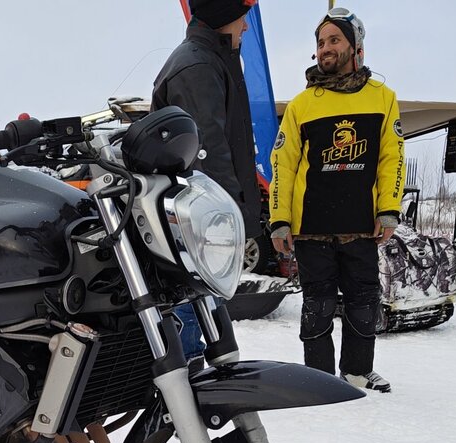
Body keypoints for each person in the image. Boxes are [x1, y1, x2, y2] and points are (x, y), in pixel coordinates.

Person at [269, 7, 404, 393]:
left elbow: (391, 157)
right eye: (321, 42)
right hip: (311, 226)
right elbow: (284, 163)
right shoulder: (302, 104)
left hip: (361, 223)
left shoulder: (383, 98)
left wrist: (389, 210)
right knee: (318, 303)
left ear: (355, 46)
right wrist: (279, 219)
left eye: (334, 40)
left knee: (364, 300)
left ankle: (358, 372)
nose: (325, 48)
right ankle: (318, 377)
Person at [152, 0, 263, 363]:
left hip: (200, 224)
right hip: (198, 227)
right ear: (221, 16)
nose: (245, 27)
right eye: (241, 18)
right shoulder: (197, 66)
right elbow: (208, 159)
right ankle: (179, 403)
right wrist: (228, 219)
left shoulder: (209, 60)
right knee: (191, 309)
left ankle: (187, 396)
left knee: (201, 314)